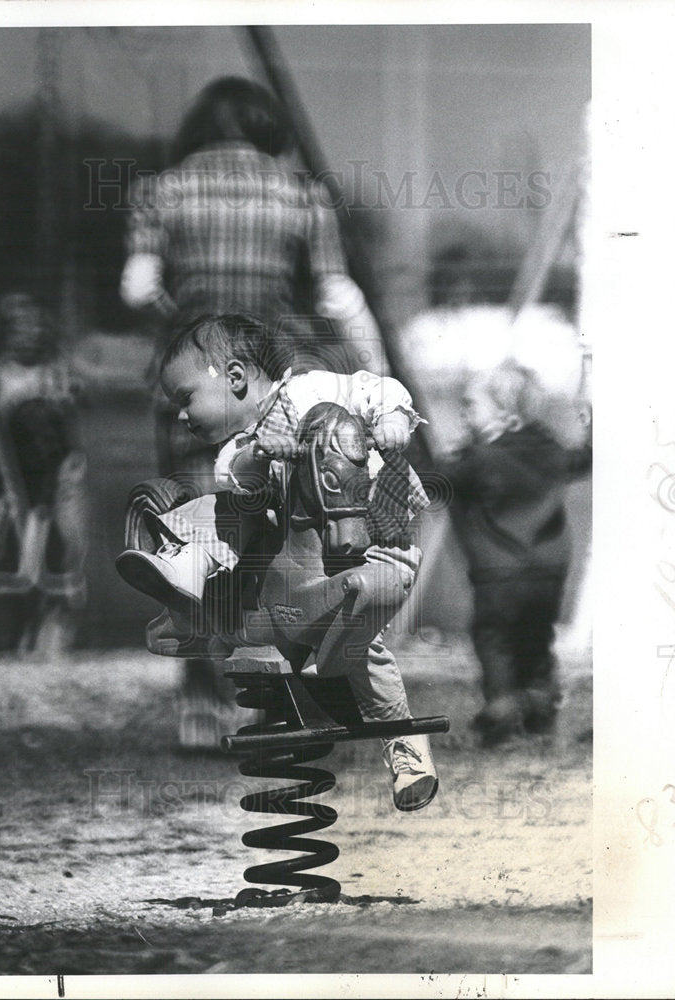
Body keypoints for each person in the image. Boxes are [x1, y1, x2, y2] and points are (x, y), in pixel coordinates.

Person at [116, 313, 437, 811]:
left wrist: (393, 419)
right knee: (224, 511)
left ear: (236, 377)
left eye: (185, 399)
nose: (181, 415)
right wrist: (262, 456)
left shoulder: (312, 390)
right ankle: (185, 574)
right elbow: (238, 476)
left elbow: (374, 387)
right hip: (294, 567)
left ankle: (406, 753)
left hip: (372, 534)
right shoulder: (241, 446)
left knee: (365, 654)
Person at [119, 74, 389, 478]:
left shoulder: (160, 191)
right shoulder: (304, 195)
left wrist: (179, 317)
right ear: (269, 126)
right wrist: (379, 375)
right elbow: (336, 295)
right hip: (275, 382)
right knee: (277, 505)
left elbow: (139, 290)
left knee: (192, 512)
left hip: (193, 380)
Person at [439, 360, 592, 746]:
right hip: (549, 570)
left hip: (499, 572)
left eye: (471, 405)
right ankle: (540, 713)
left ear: (504, 415)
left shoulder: (481, 459)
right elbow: (582, 459)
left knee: (496, 642)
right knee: (536, 639)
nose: (463, 412)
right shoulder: (551, 448)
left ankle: (504, 715)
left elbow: (438, 482)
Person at [0, 292, 88, 625]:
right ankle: (17, 611)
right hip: (12, 467)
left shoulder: (57, 368)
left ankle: (61, 606)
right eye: (19, 330)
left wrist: (70, 395)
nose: (28, 336)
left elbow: (78, 403)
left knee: (68, 531)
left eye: (34, 328)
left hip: (58, 464)